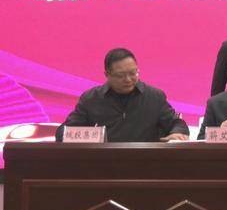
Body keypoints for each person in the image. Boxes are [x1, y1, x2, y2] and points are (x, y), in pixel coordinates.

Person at [55, 48, 189, 142]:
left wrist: (177, 133)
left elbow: (177, 123)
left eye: (133, 73)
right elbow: (63, 132)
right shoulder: (91, 99)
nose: (128, 79)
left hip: (147, 163)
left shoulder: (154, 96)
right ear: (107, 74)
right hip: (103, 164)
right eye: (121, 75)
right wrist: (89, 138)